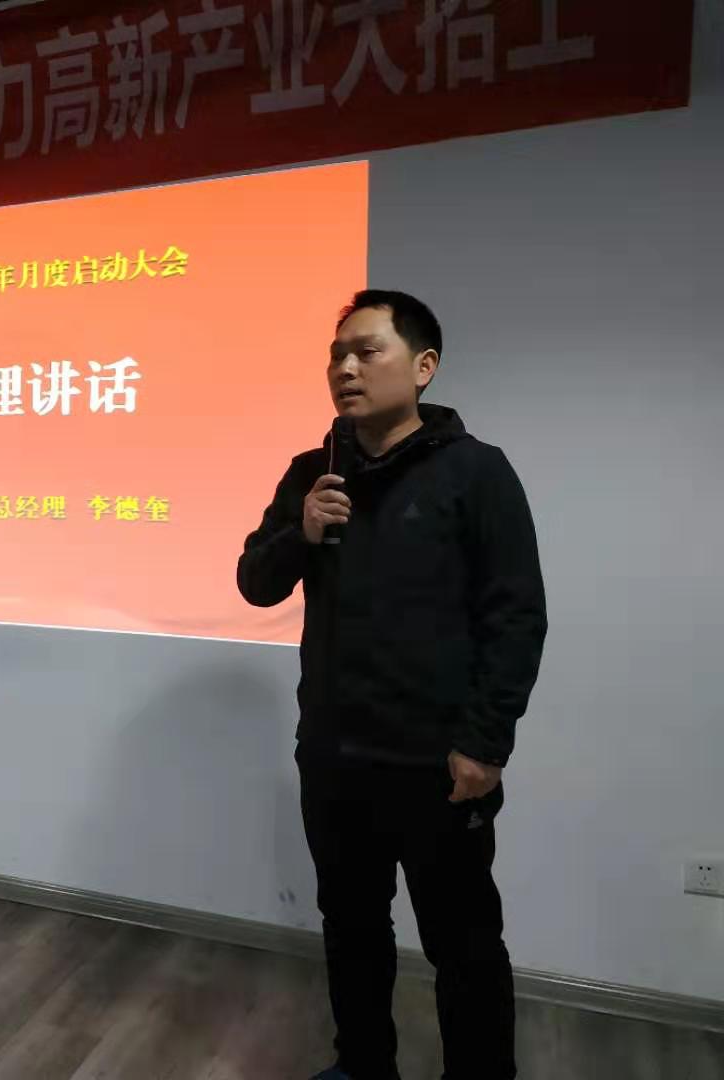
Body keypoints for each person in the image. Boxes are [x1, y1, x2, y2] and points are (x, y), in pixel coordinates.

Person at [237, 290, 547, 1080]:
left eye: (366, 350)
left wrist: (485, 744)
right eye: (336, 354)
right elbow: (255, 584)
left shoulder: (475, 472)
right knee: (350, 926)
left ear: (423, 366)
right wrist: (301, 532)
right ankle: (363, 1065)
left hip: (438, 765)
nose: (345, 367)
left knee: (463, 941)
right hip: (334, 756)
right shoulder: (312, 473)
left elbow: (516, 617)